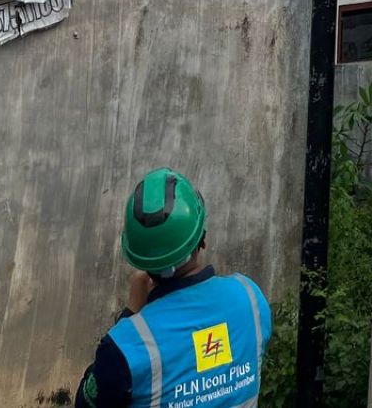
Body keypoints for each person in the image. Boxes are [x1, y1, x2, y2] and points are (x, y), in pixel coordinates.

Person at [74, 168, 271, 408]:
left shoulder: (125, 346)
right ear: (202, 239)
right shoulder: (250, 298)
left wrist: (130, 315)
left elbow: (87, 402)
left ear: (139, 260)